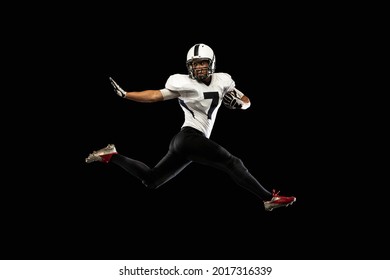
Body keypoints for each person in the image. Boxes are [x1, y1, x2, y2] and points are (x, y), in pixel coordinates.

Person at [85, 43, 296, 211]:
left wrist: (241, 105)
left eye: (202, 63)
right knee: (233, 162)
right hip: (188, 137)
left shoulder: (223, 80)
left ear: (211, 63)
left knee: (151, 180)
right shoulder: (182, 83)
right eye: (194, 64)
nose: (198, 67)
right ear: (189, 67)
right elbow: (156, 95)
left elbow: (246, 100)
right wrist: (127, 94)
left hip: (187, 144)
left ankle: (111, 155)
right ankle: (268, 198)